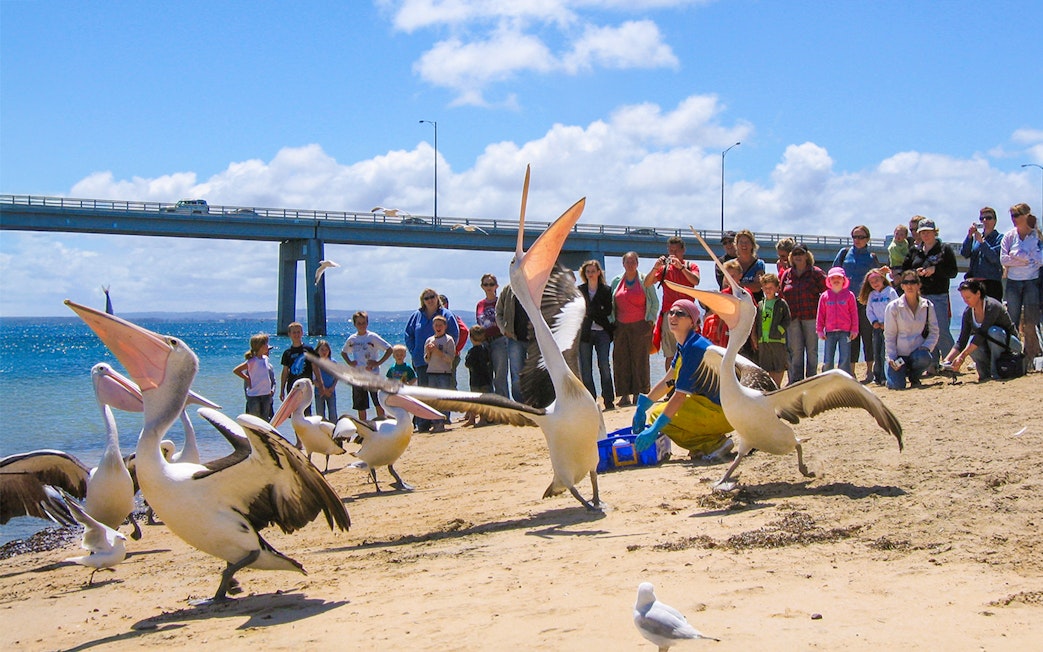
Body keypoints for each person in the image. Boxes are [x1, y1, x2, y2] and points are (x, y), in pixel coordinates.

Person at [632, 299, 732, 457]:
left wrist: (654, 430)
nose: (673, 317)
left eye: (680, 314)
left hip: (720, 412)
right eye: (671, 313)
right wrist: (642, 406)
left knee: (659, 416)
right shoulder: (685, 344)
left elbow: (679, 396)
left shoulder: (694, 348)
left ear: (692, 322)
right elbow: (669, 380)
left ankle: (713, 444)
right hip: (712, 408)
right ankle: (706, 442)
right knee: (659, 414)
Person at [901, 218, 958, 371]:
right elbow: (904, 271)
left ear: (935, 232)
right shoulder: (915, 251)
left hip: (939, 295)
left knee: (941, 331)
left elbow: (953, 272)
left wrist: (935, 270)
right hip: (920, 297)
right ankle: (931, 365)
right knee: (924, 333)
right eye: (922, 232)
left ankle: (950, 362)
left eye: (928, 231)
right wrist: (915, 273)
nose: (925, 235)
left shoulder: (944, 249)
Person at [942, 279, 1021, 382]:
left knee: (993, 332)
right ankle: (985, 374)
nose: (966, 301)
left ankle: (995, 373)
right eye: (963, 298)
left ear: (978, 293)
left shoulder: (992, 306)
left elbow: (982, 334)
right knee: (972, 343)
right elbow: (962, 341)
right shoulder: (968, 313)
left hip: (1010, 345)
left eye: (968, 297)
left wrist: (962, 356)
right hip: (989, 346)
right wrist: (947, 360)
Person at [405, 288, 460, 431]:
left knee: (441, 391)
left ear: (437, 298)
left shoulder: (446, 314)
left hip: (441, 363)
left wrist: (447, 351)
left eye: (432, 297)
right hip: (421, 360)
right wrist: (414, 350)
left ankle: (441, 421)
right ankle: (423, 423)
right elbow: (408, 334)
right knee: (424, 392)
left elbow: (455, 333)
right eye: (426, 298)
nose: (430, 300)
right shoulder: (416, 316)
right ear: (422, 301)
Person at [609, 252, 659, 408]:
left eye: (633, 262)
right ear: (623, 264)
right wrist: (612, 322)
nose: (630, 264)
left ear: (637, 263)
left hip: (641, 325)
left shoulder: (645, 280)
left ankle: (640, 393)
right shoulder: (616, 281)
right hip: (620, 325)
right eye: (627, 262)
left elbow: (654, 302)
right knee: (621, 360)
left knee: (640, 360)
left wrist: (649, 321)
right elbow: (611, 302)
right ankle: (624, 395)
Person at [833, 225, 881, 382]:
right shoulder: (844, 253)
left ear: (867, 238)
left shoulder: (871, 257)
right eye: (855, 237)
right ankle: (851, 372)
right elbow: (835, 273)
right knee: (851, 337)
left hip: (865, 302)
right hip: (847, 302)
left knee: (868, 337)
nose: (857, 240)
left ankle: (869, 371)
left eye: (861, 237)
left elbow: (877, 279)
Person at [645, 235, 701, 370]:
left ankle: (687, 383)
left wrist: (681, 268)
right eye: (671, 251)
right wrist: (655, 268)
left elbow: (695, 281)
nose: (673, 254)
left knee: (688, 351)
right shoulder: (664, 269)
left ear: (683, 251)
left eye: (676, 251)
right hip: (669, 314)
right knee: (670, 354)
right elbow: (647, 283)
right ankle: (670, 387)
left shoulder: (691, 266)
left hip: (687, 314)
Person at [1000, 203, 1042, 368]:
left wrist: (1018, 257)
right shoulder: (1009, 236)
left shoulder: (1037, 236)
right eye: (1012, 216)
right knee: (1012, 319)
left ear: (1026, 216)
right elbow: (1004, 259)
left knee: (1031, 320)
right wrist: (1027, 259)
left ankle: (1031, 355)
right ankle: (1012, 354)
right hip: (1013, 282)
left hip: (1032, 281)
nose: (1014, 219)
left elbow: (1040, 260)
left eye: (1017, 215)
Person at [779, 243, 827, 383]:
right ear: (791, 257)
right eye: (795, 254)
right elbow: (782, 295)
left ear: (807, 255)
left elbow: (826, 294)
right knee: (795, 351)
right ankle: (796, 381)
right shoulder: (787, 275)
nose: (798, 256)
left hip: (811, 317)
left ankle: (811, 380)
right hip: (792, 318)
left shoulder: (816, 273)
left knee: (812, 351)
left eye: (801, 253)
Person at [884, 270, 940, 390]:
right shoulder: (893, 307)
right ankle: (899, 373)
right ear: (902, 285)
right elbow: (890, 335)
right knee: (896, 386)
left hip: (918, 353)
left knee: (925, 357)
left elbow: (934, 331)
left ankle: (914, 376)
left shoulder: (928, 306)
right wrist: (892, 358)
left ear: (918, 284)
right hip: (898, 355)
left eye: (913, 282)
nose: (910, 286)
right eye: (906, 282)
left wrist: (926, 347)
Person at [578, 259, 615, 411]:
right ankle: (590, 402)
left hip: (602, 333)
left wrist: (591, 311)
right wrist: (595, 310)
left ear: (599, 272)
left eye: (593, 271)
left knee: (604, 366)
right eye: (588, 272)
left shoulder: (606, 290)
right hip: (585, 333)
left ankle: (609, 400)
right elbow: (579, 311)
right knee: (585, 369)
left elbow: (607, 310)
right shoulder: (580, 290)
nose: (591, 274)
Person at [341, 310, 392, 421]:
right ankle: (364, 427)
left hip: (373, 375)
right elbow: (343, 352)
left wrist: (378, 363)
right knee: (361, 405)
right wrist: (350, 362)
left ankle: (381, 424)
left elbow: (389, 349)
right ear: (354, 324)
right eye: (359, 323)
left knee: (378, 402)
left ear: (367, 323)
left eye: (363, 323)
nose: (361, 325)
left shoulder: (372, 337)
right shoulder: (352, 339)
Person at [817, 267, 859, 375]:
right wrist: (820, 330)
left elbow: (854, 314)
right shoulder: (825, 296)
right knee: (828, 358)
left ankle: (843, 377)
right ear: (829, 280)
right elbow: (820, 314)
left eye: (839, 277)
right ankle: (827, 377)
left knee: (845, 357)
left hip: (845, 331)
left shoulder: (849, 295)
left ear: (844, 280)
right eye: (833, 278)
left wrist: (854, 330)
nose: (836, 280)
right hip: (829, 332)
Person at [860, 267, 898, 386]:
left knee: (885, 352)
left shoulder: (890, 291)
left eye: (877, 280)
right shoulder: (872, 295)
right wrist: (874, 322)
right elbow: (869, 310)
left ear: (882, 279)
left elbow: (896, 308)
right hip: (877, 328)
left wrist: (888, 324)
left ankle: (886, 376)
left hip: (889, 327)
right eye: (872, 282)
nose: (875, 284)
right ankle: (878, 376)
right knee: (876, 352)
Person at [475, 273, 510, 398]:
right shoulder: (480, 304)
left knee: (500, 377)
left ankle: (505, 409)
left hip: (499, 340)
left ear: (496, 286)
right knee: (486, 377)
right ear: (482, 287)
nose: (488, 287)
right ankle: (490, 410)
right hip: (484, 342)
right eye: (486, 284)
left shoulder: (501, 301)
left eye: (491, 284)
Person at [960, 206, 1004, 301]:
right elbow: (965, 253)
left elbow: (995, 258)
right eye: (982, 219)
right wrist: (969, 236)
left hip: (992, 283)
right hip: (975, 283)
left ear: (995, 221)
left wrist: (982, 243)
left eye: (988, 218)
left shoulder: (1000, 238)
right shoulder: (977, 238)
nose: (985, 221)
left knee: (991, 312)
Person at [755, 273, 791, 387]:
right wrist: (756, 337)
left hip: (777, 340)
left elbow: (787, 319)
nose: (768, 290)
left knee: (779, 365)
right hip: (763, 340)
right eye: (765, 288)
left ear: (776, 288)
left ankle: (777, 385)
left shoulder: (781, 303)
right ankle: (771, 386)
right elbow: (756, 322)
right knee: (766, 365)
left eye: (770, 288)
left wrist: (779, 330)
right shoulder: (760, 305)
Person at [494, 290, 531, 402]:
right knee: (516, 375)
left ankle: (537, 403)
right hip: (515, 339)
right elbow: (498, 312)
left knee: (538, 373)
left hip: (536, 339)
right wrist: (503, 329)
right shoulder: (508, 290)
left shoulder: (536, 285)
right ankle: (520, 405)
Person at [423, 315, 456, 433]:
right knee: (433, 399)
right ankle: (435, 422)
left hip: (444, 373)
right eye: (436, 325)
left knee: (443, 398)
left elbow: (450, 358)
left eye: (440, 325)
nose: (438, 327)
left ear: (445, 326)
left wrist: (438, 351)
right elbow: (426, 359)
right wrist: (428, 352)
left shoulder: (448, 340)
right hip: (431, 372)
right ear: (433, 326)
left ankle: (442, 422)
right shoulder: (429, 340)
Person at [233, 333, 275, 420]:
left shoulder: (266, 359)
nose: (268, 347)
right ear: (261, 346)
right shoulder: (252, 361)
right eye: (266, 344)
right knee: (255, 418)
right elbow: (236, 370)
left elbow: (270, 378)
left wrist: (272, 389)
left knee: (265, 418)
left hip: (266, 394)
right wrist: (247, 378)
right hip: (254, 394)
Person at [280, 322, 316, 415]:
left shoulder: (309, 349)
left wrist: (319, 381)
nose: (296, 334)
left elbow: (315, 367)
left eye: (298, 332)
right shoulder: (287, 353)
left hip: (306, 386)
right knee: (295, 413)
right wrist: (282, 390)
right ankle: (296, 430)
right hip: (293, 387)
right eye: (294, 332)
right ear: (289, 334)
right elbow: (285, 372)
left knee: (307, 412)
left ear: (302, 333)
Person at [463, 325, 493, 427]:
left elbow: (468, 363)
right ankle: (474, 419)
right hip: (486, 379)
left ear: (470, 337)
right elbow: (489, 362)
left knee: (476, 400)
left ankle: (480, 419)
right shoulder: (485, 349)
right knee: (483, 400)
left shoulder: (472, 351)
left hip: (476, 380)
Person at [439, 294, 469, 391]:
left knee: (450, 384)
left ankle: (453, 405)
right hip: (438, 355)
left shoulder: (450, 317)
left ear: (446, 304)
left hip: (450, 355)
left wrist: (456, 349)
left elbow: (464, 331)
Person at [734, 229, 765, 303]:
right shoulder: (731, 265)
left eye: (747, 242)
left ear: (752, 245)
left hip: (755, 304)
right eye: (741, 242)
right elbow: (725, 287)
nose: (744, 245)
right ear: (737, 245)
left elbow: (757, 287)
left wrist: (737, 286)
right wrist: (749, 285)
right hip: (737, 305)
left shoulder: (759, 264)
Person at [312, 340, 338, 421]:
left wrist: (332, 387)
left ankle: (333, 432)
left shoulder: (333, 362)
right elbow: (313, 380)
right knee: (320, 417)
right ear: (317, 351)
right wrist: (323, 389)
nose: (324, 352)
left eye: (326, 350)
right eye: (322, 350)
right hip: (319, 392)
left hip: (331, 391)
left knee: (333, 415)